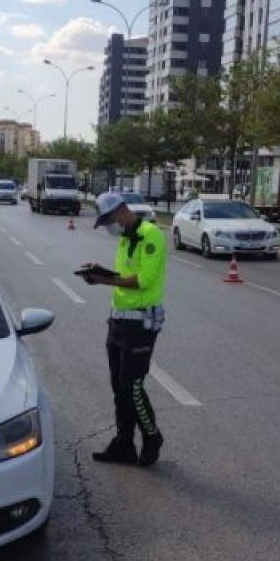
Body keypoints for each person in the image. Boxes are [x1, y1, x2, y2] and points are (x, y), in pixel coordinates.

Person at [79, 191, 169, 466]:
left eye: (108, 220)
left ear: (121, 212)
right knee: (119, 387)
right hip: (118, 321)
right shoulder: (124, 239)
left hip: (141, 323)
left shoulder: (151, 235)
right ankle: (124, 444)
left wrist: (105, 280)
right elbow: (122, 276)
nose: (108, 227)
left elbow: (144, 280)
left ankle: (152, 437)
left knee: (132, 386)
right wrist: (101, 272)